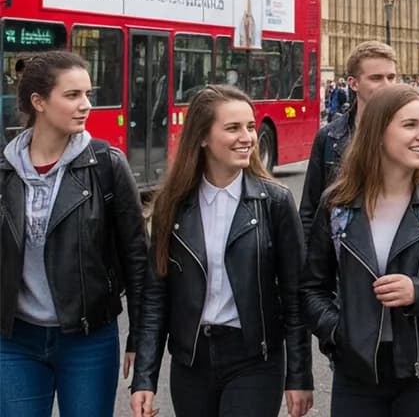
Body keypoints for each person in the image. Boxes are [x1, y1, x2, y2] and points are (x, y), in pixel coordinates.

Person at [301, 84, 419, 416]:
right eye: (410, 125)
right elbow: (313, 288)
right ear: (378, 133)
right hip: (357, 374)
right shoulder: (337, 206)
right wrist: (338, 332)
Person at [131, 86, 313, 417]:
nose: (247, 137)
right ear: (202, 137)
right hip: (191, 361)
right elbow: (156, 297)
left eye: (250, 126)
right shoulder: (172, 206)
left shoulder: (275, 202)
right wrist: (144, 378)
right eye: (233, 128)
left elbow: (295, 296)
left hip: (254, 359)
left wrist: (299, 377)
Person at [0, 51, 147, 417]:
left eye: (87, 94)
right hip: (14, 340)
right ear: (39, 102)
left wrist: (141, 341)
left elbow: (137, 261)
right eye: (72, 95)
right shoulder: (4, 170)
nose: (86, 105)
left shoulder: (106, 164)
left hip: (88, 340)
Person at [299, 42, 398, 235]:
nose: (387, 85)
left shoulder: (410, 135)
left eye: (391, 77)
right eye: (376, 78)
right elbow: (309, 210)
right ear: (353, 84)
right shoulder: (329, 137)